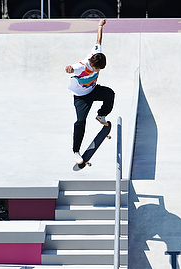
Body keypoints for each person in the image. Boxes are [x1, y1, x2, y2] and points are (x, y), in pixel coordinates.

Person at [65, 19, 115, 165]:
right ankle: (76, 151)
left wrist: (100, 25)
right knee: (80, 121)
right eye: (97, 69)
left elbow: (99, 40)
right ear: (92, 64)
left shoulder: (96, 53)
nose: (98, 71)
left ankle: (101, 115)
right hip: (81, 97)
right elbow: (71, 68)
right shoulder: (82, 67)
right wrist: (69, 68)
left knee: (110, 94)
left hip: (93, 90)